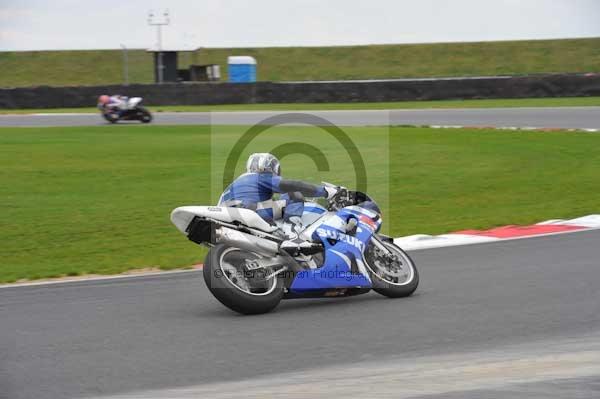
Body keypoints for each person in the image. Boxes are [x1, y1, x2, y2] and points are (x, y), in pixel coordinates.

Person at [219, 153, 338, 228]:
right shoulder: (262, 176)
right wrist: (326, 192)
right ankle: (293, 233)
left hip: (225, 217)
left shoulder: (236, 182)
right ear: (271, 167)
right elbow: (294, 185)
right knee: (294, 194)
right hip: (248, 212)